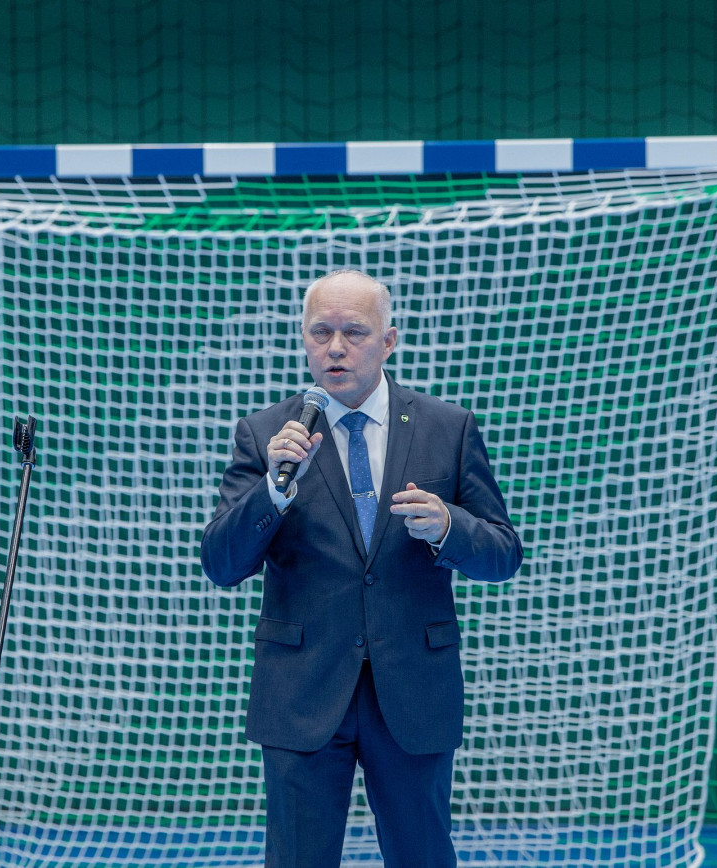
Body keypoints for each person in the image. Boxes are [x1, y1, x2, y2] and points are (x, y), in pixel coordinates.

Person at [200, 269, 522, 868]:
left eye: (354, 332)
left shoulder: (447, 427)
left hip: (413, 692)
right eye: (320, 332)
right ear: (303, 338)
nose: (336, 347)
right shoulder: (267, 435)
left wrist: (448, 527)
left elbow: (503, 553)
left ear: (388, 341)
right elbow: (221, 563)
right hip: (301, 693)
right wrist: (272, 491)